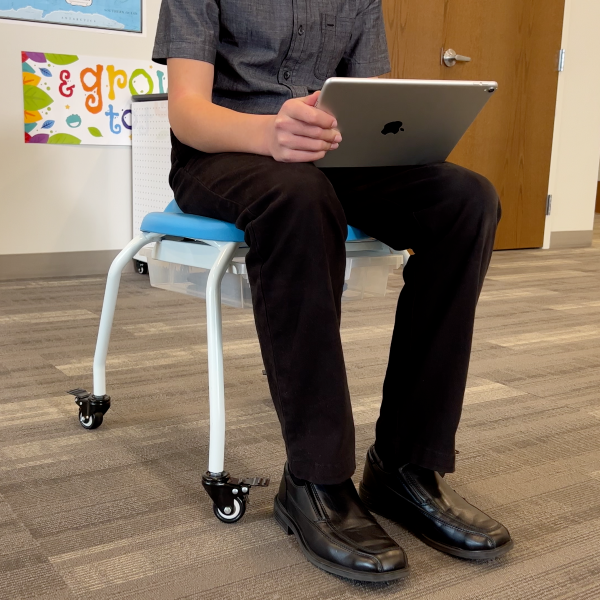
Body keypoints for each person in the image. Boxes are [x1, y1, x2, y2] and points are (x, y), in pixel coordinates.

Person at [152, 0, 513, 582]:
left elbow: (374, 110)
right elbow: (187, 113)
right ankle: (314, 477)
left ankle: (404, 465)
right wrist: (269, 132)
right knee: (298, 196)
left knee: (467, 201)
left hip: (332, 158)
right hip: (225, 153)